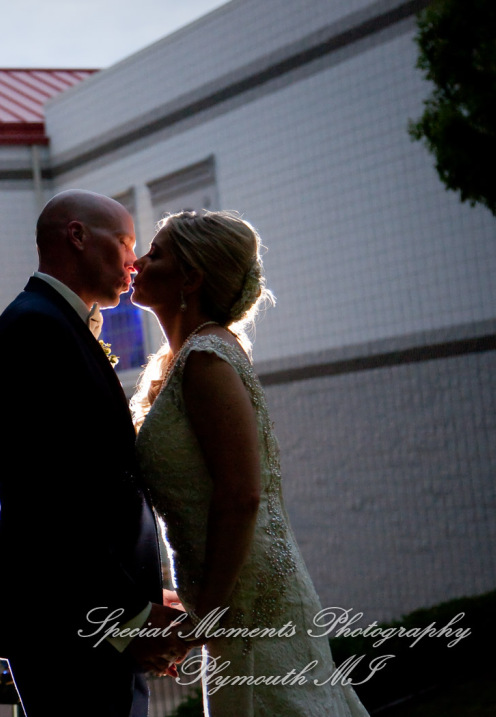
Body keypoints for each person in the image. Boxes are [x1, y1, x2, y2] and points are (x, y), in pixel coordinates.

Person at [129, 209, 369, 716]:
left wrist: (208, 615)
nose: (137, 262)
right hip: (231, 597)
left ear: (191, 278)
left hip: (251, 600)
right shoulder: (192, 356)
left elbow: (241, 494)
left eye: (156, 253)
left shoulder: (207, 359)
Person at [0, 190, 188, 717]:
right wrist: (128, 618)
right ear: (77, 236)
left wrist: (142, 597)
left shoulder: (55, 324)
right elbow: (53, 499)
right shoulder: (36, 329)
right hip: (70, 626)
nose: (133, 261)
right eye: (124, 243)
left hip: (87, 614)